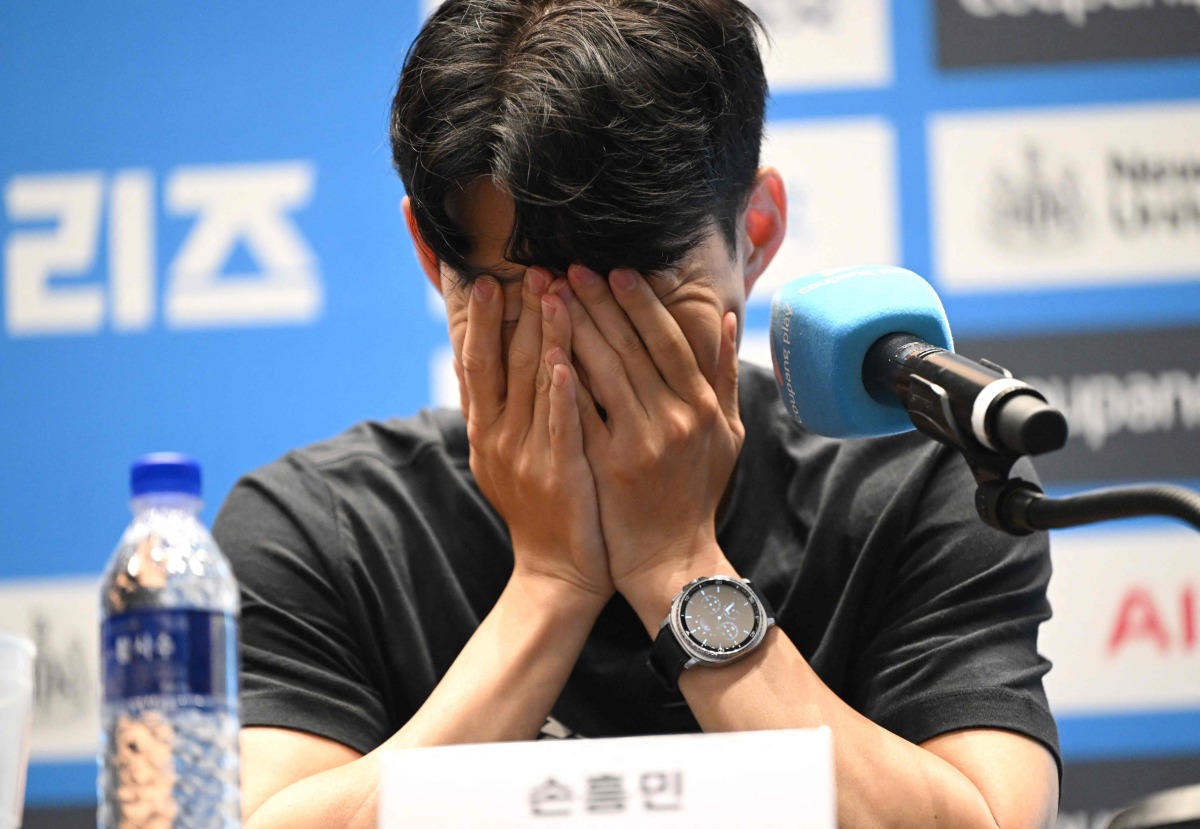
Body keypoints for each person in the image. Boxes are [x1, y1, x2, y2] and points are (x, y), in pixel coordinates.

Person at [213, 1, 1061, 826]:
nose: (581, 347)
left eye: (636, 294)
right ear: (433, 259)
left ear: (755, 233)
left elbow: (987, 817)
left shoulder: (921, 480)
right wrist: (551, 584)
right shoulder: (321, 526)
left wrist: (677, 563)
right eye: (518, 299)